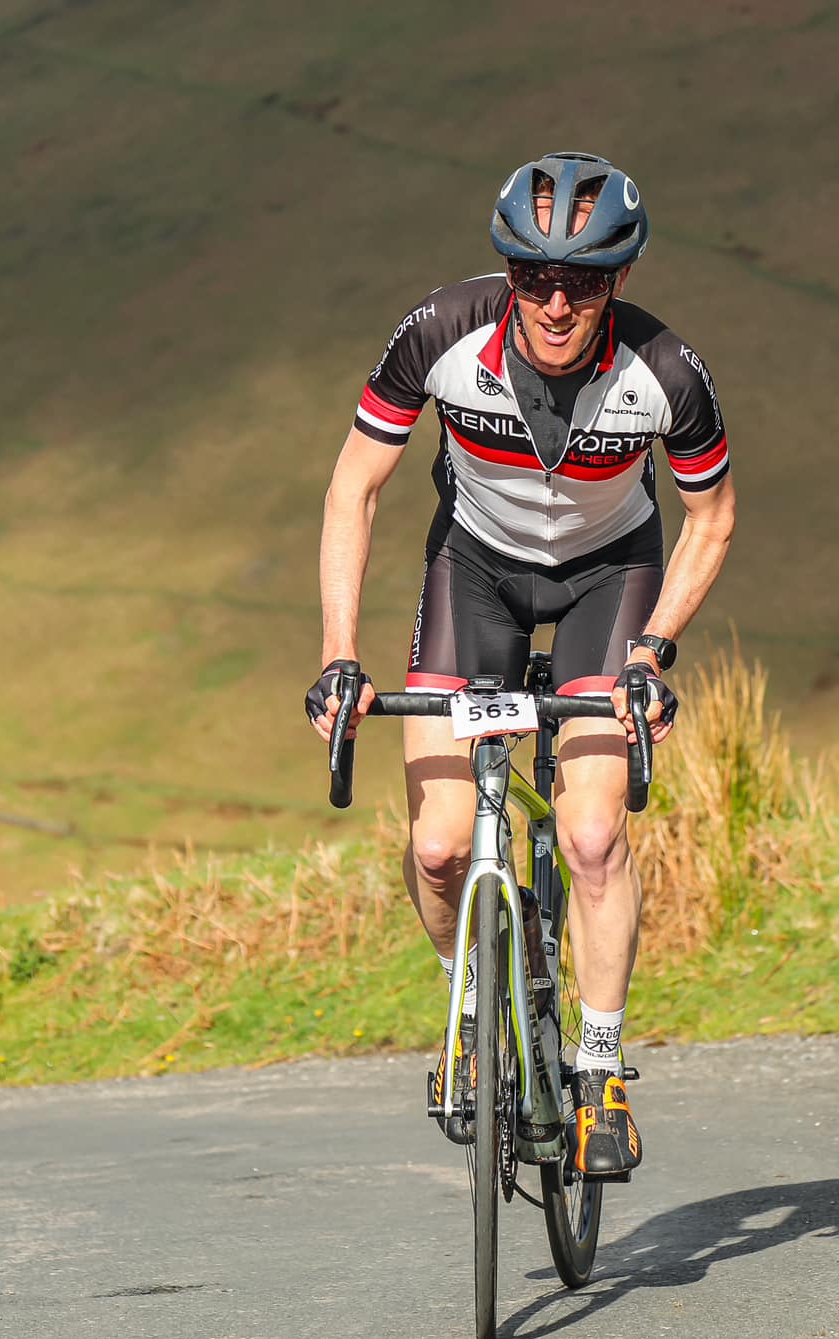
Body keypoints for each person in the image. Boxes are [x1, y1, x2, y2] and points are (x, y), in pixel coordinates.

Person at [305, 152, 738, 1176]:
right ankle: (474, 998)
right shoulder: (439, 335)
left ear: (616, 283)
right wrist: (338, 654)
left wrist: (651, 651)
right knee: (441, 847)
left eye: (581, 281)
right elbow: (351, 489)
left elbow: (710, 517)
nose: (554, 300)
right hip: (473, 575)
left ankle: (597, 1068)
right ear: (504, 273)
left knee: (590, 836)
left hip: (607, 583)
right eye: (532, 276)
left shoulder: (661, 372)